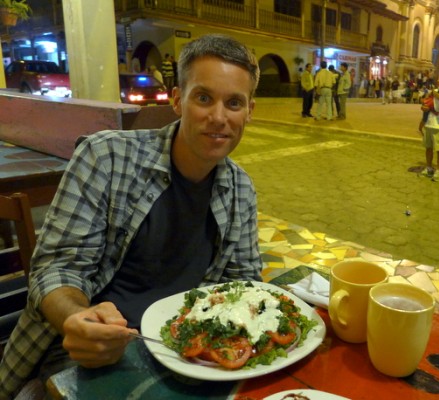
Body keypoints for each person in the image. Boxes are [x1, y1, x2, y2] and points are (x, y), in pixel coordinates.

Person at [0, 33, 263, 399]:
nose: (219, 118)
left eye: (233, 103)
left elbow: (243, 281)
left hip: (186, 352)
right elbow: (57, 268)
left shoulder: (241, 189)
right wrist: (78, 319)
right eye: (203, 98)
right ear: (177, 100)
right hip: (87, 353)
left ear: (249, 110)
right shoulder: (105, 156)